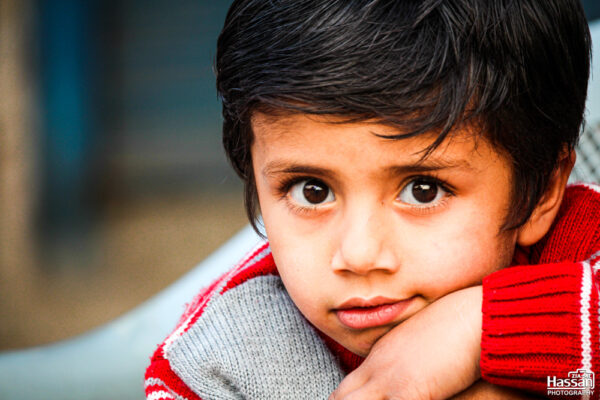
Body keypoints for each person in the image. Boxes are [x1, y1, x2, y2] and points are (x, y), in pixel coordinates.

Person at [145, 0, 600, 398]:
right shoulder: (216, 361)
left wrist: (481, 327)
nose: (359, 255)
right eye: (313, 190)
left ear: (540, 192)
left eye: (423, 190)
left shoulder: (583, 250)